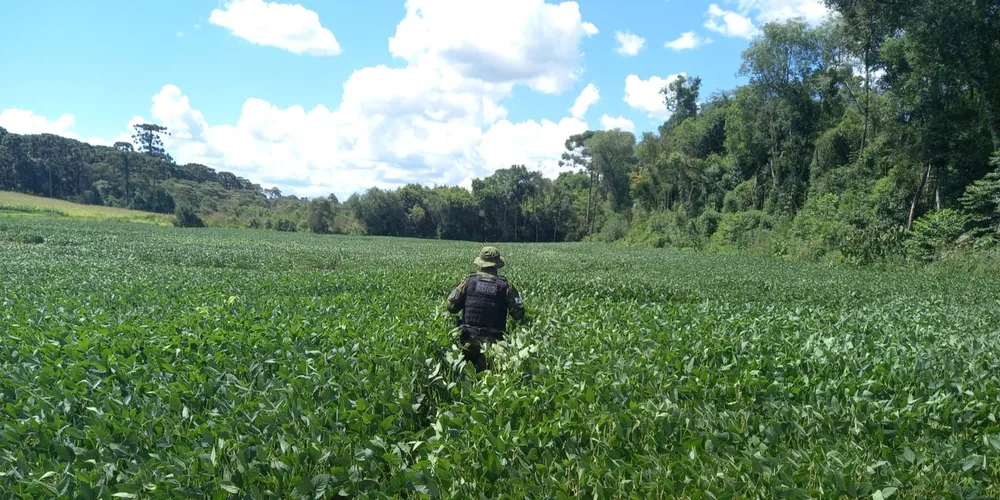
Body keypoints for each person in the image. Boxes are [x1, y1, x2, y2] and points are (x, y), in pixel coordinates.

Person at [444, 246, 525, 372]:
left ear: (480, 263)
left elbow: (451, 307)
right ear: (497, 265)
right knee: (491, 380)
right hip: (494, 344)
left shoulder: (468, 282)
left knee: (465, 376)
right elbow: (518, 314)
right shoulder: (506, 286)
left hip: (468, 339)